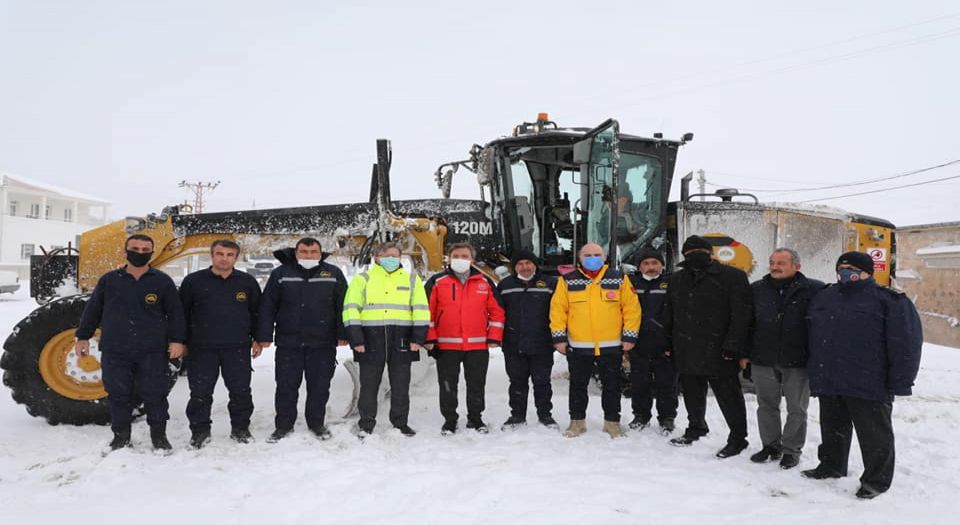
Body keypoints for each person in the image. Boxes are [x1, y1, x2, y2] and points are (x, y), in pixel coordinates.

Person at [802, 251, 922, 499]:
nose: (846, 271)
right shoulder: (826, 296)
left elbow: (906, 343)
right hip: (831, 378)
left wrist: (900, 380)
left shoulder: (888, 300)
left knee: (875, 435)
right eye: (842, 266)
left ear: (868, 272)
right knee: (833, 427)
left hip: (870, 381)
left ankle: (875, 481)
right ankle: (831, 466)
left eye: (852, 267)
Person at [75, 234, 186, 451]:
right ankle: (121, 436)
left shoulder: (162, 281)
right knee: (118, 395)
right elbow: (93, 310)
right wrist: (83, 337)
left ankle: (159, 437)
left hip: (153, 350)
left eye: (146, 250)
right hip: (116, 349)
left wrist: (177, 341)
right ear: (126, 251)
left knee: (156, 394)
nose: (140, 253)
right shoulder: (109, 280)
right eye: (135, 248)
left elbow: (175, 314)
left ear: (152, 253)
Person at [663, 235, 752, 458]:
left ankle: (738, 438)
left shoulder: (732, 277)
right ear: (684, 256)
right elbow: (669, 314)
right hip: (686, 346)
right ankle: (696, 428)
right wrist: (668, 343)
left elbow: (742, 315)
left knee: (729, 397)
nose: (695, 256)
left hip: (720, 350)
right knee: (692, 394)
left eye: (700, 252)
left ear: (710, 253)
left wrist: (734, 346)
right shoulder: (677, 279)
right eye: (690, 253)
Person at [256, 238, 348, 442]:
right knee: (286, 386)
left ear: (320, 253)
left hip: (323, 343)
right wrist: (263, 335)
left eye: (313, 252)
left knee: (319, 386)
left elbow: (343, 306)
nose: (308, 256)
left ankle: (317, 423)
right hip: (289, 343)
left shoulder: (333, 274)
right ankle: (283, 426)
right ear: (296, 253)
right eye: (304, 252)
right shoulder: (281, 274)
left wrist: (343, 333)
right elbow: (268, 306)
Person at [550, 243, 641, 439]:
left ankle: (612, 424)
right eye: (588, 255)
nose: (593, 258)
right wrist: (559, 338)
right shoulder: (567, 280)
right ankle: (577, 423)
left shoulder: (619, 278)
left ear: (605, 257)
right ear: (580, 258)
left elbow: (632, 309)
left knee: (612, 386)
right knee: (578, 386)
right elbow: (558, 311)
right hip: (578, 346)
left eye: (597, 254)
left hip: (611, 345)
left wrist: (629, 336)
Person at [745, 248, 824, 469]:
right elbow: (747, 323)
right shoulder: (757, 290)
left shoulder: (814, 290)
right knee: (766, 405)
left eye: (781, 262)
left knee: (797, 408)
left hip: (797, 359)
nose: (775, 266)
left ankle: (791, 450)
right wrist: (745, 353)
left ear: (796, 266)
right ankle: (770, 446)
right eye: (772, 262)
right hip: (763, 357)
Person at [179, 239, 262, 448]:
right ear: (212, 255)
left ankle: (240, 429)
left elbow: (258, 313)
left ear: (236, 257)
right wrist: (180, 341)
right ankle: (200, 431)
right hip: (201, 348)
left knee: (241, 392)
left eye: (229, 255)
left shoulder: (246, 282)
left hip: (237, 348)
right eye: (220, 254)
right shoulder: (193, 282)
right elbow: (180, 315)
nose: (224, 258)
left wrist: (259, 339)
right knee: (200, 393)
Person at [342, 242, 430, 438]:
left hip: (403, 339)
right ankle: (366, 424)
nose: (391, 259)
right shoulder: (363, 279)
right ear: (376, 258)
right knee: (369, 385)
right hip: (369, 339)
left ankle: (400, 423)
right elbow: (350, 309)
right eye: (386, 255)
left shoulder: (411, 280)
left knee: (401, 385)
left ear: (400, 258)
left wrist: (418, 338)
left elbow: (421, 310)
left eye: (395, 255)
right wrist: (356, 339)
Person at [424, 243, 505, 435]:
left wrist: (494, 337)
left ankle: (476, 419)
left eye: (465, 256)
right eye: (456, 255)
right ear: (449, 259)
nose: (460, 259)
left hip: (477, 345)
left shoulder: (484, 282)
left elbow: (497, 312)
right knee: (447, 385)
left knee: (476, 384)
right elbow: (426, 312)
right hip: (446, 345)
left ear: (472, 260)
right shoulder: (437, 282)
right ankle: (450, 420)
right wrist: (430, 339)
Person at [497, 250, 558, 430]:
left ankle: (545, 415)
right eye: (520, 264)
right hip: (513, 343)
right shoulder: (505, 285)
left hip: (542, 343)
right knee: (517, 382)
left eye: (528, 263)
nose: (525, 267)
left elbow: (559, 311)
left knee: (542, 382)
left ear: (535, 264)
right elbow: (498, 313)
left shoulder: (550, 283)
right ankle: (517, 416)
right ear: (514, 267)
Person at [626, 247, 678, 435]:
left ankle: (667, 418)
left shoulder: (671, 283)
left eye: (655, 263)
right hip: (638, 343)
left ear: (662, 265)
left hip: (664, 345)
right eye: (646, 263)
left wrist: (672, 342)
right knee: (640, 383)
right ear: (639, 266)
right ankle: (640, 415)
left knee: (667, 384)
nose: (651, 267)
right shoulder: (630, 283)